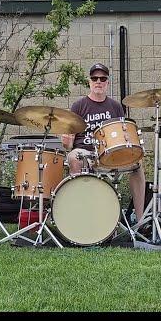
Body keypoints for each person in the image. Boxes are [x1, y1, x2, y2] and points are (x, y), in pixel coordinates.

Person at [61, 63, 146, 223]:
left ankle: (140, 220)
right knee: (73, 157)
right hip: (85, 152)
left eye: (102, 78)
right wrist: (66, 143)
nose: (98, 81)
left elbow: (124, 135)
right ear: (89, 82)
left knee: (138, 163)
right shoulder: (79, 106)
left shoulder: (115, 107)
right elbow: (68, 145)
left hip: (110, 154)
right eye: (94, 78)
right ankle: (80, 215)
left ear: (107, 82)